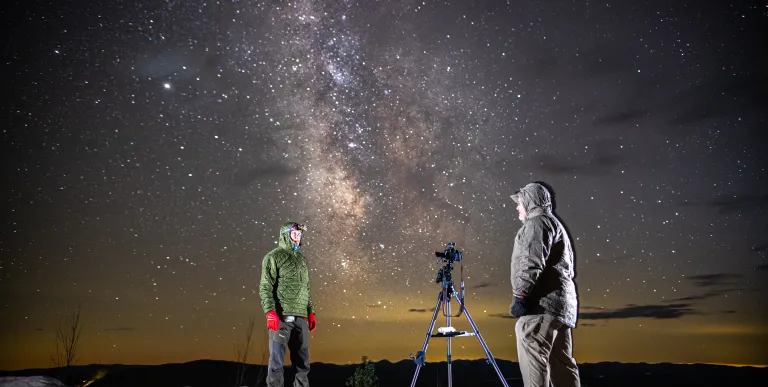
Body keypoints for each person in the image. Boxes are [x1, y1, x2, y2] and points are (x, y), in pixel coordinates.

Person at [509, 182, 581, 387]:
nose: (517, 208)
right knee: (562, 363)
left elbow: (530, 261)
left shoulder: (537, 223)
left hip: (542, 306)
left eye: (520, 203)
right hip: (562, 308)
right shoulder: (554, 223)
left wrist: (520, 296)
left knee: (534, 359)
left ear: (531, 202)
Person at [259, 222, 317, 387]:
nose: (298, 238)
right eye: (295, 234)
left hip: (301, 318)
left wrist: (310, 312)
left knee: (303, 363)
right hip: (282, 316)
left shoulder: (302, 260)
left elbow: (306, 288)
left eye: (300, 235)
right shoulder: (273, 257)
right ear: (285, 235)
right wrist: (270, 311)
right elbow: (265, 286)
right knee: (277, 362)